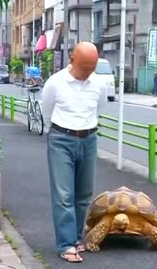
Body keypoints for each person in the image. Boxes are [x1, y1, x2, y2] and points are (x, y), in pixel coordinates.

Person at [41, 42, 108, 263]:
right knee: (63, 195)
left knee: (83, 195)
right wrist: (56, 134)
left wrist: (87, 129)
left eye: (92, 67)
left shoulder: (99, 83)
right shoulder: (55, 83)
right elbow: (47, 110)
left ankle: (77, 238)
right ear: (72, 60)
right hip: (61, 138)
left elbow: (100, 109)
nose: (88, 72)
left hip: (89, 138)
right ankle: (66, 244)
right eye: (84, 67)